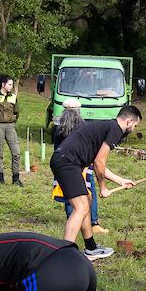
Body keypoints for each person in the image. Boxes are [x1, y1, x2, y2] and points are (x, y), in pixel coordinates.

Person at [50, 106, 140, 257]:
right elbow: (99, 162)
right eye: (135, 126)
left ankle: (91, 247)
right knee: (81, 207)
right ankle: (64, 254)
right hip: (67, 162)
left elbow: (98, 163)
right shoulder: (116, 130)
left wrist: (120, 180)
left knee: (87, 201)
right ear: (129, 121)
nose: (133, 129)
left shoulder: (107, 126)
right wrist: (103, 188)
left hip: (66, 161)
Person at [51, 99, 106, 237]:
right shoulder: (84, 127)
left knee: (69, 194)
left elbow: (57, 149)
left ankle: (73, 218)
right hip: (84, 166)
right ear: (79, 112)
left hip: (65, 167)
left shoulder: (59, 130)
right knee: (89, 192)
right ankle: (94, 223)